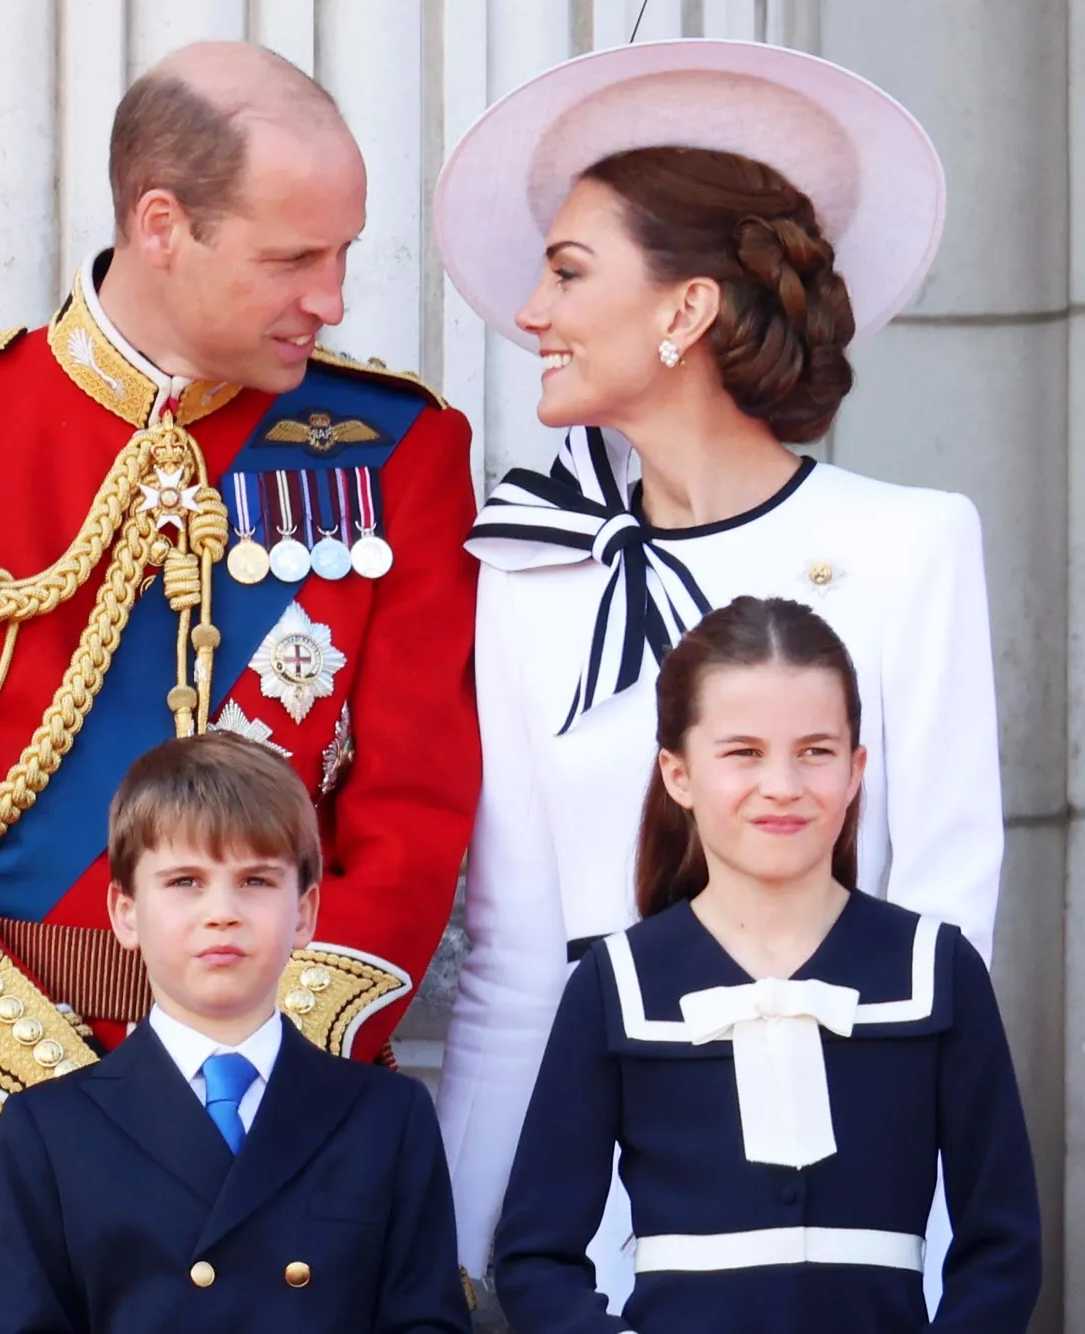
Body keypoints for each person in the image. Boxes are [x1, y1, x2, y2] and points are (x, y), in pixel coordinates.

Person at [0, 39, 480, 1333]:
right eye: (292, 258)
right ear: (162, 225)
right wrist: (63, 1099)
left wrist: (269, 1070)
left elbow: (416, 811)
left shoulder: (400, 451)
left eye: (345, 253)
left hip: (286, 1154)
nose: (332, 296)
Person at [428, 39, 1003, 1306]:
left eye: (568, 273)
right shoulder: (528, 571)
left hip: (840, 1206)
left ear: (683, 310)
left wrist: (940, 1251)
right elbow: (515, 952)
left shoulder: (909, 544)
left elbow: (945, 917)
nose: (531, 312)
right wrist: (471, 1248)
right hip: (598, 1205)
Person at [492, 595, 1040, 1332]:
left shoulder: (936, 970)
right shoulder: (615, 984)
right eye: (743, 752)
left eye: (815, 751)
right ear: (678, 774)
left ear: (855, 770)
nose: (783, 785)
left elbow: (1003, 1248)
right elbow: (535, 1257)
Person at [0, 733, 469, 1331]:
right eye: (185, 882)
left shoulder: (387, 1117)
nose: (222, 912)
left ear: (306, 912)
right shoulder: (51, 1128)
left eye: (256, 881)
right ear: (124, 912)